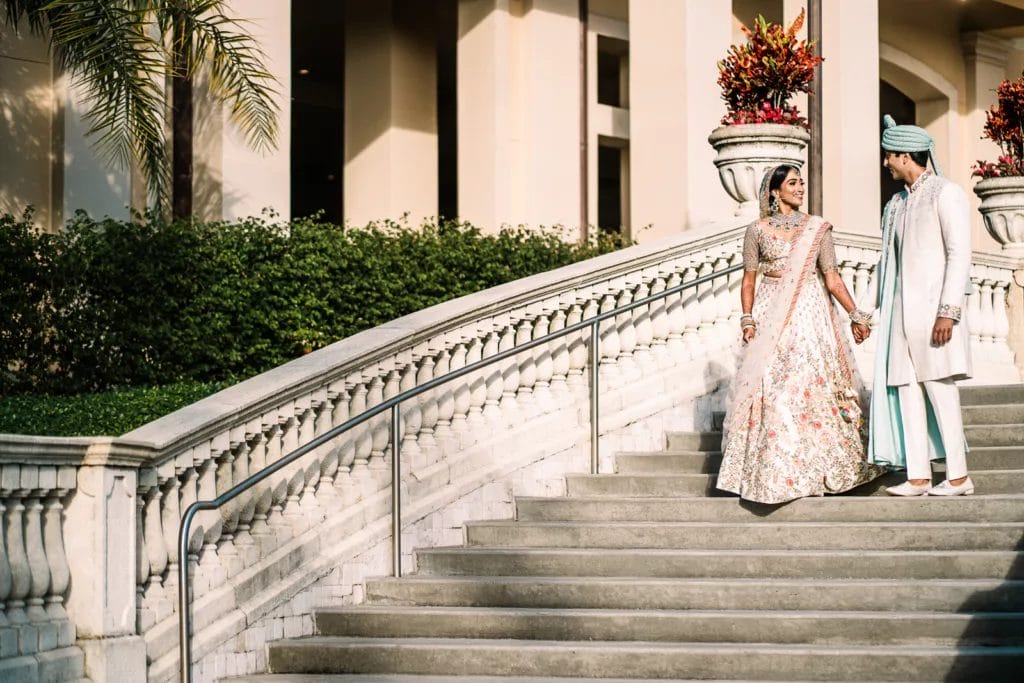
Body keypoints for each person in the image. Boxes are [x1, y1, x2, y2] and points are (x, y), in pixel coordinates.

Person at [717, 165, 886, 504]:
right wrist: (748, 319)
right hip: (770, 310)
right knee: (773, 387)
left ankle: (825, 466)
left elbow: (833, 277)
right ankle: (776, 471)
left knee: (809, 381)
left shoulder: (817, 228)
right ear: (775, 191)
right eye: (792, 183)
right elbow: (749, 279)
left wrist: (856, 314)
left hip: (810, 312)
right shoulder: (756, 230)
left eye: (801, 183)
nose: (800, 188)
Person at [869, 115, 974, 497]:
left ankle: (960, 477)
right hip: (901, 317)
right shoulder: (896, 204)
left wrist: (949, 311)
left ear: (905, 155)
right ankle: (918, 476)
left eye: (889, 156)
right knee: (907, 391)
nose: (885, 163)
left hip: (935, 314)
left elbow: (959, 254)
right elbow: (886, 262)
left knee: (940, 390)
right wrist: (868, 311)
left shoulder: (947, 193)